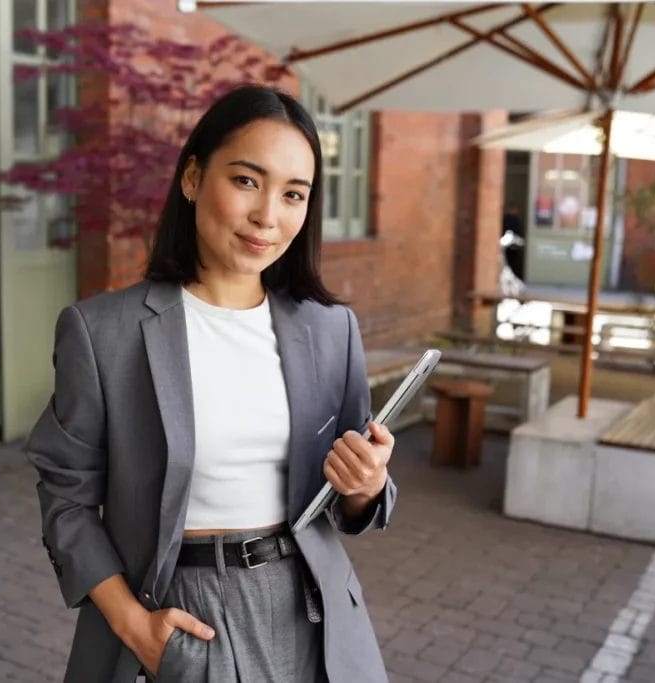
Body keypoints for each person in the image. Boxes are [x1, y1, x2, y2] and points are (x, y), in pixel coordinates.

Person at [26, 85, 397, 683]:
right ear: (193, 178)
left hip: (314, 612)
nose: (268, 216)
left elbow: (352, 502)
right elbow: (66, 498)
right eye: (247, 181)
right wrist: (133, 627)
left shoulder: (331, 331)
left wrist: (366, 484)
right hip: (176, 610)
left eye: (293, 194)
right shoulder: (103, 333)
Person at [501, 203, 526, 281]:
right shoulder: (512, 219)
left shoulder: (507, 218)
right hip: (511, 244)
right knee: (512, 262)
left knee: (510, 262)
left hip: (509, 244)